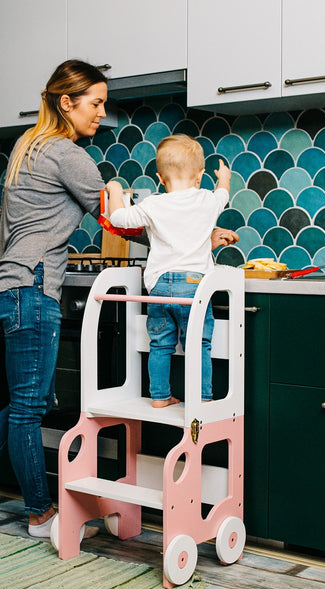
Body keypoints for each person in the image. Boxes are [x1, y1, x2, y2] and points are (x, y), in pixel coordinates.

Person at [0, 60, 239, 538]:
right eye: (95, 103)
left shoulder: (25, 147)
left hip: (10, 286)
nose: (102, 113)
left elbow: (7, 221)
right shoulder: (67, 153)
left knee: (26, 402)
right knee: (28, 407)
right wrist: (188, 241)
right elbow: (116, 219)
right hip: (34, 285)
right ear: (66, 102)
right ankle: (41, 515)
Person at [106, 134, 231, 408]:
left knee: (160, 344)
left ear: (161, 178)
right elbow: (224, 194)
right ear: (199, 177)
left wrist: (115, 190)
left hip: (160, 286)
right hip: (196, 287)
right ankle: (202, 398)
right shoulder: (207, 200)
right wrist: (224, 177)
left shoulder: (154, 204)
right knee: (198, 345)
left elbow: (118, 219)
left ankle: (160, 396)